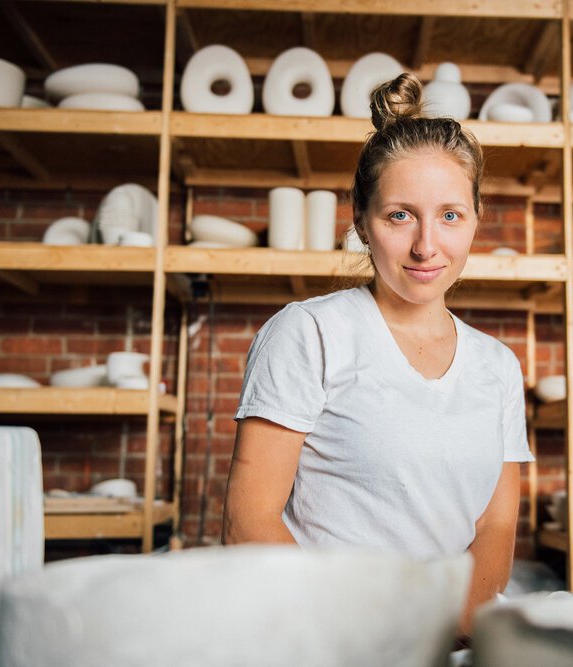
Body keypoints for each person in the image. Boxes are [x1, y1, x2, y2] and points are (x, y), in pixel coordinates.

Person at [222, 72, 533, 637]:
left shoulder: (498, 366)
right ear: (362, 222)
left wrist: (453, 629)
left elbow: (496, 523)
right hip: (330, 639)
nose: (426, 245)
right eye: (399, 215)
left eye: (450, 215)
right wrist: (372, 635)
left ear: (475, 221)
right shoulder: (309, 333)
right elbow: (249, 521)